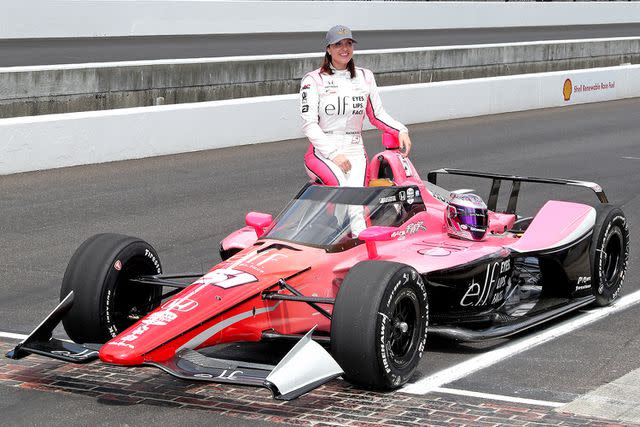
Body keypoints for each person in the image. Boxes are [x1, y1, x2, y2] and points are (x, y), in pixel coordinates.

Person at [300, 24, 412, 187]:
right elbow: (309, 125)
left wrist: (400, 130)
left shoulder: (365, 76)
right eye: (338, 44)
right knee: (344, 191)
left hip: (355, 151)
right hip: (323, 152)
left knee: (357, 207)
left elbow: (377, 114)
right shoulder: (313, 80)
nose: (344, 48)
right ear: (329, 49)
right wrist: (333, 154)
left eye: (348, 43)